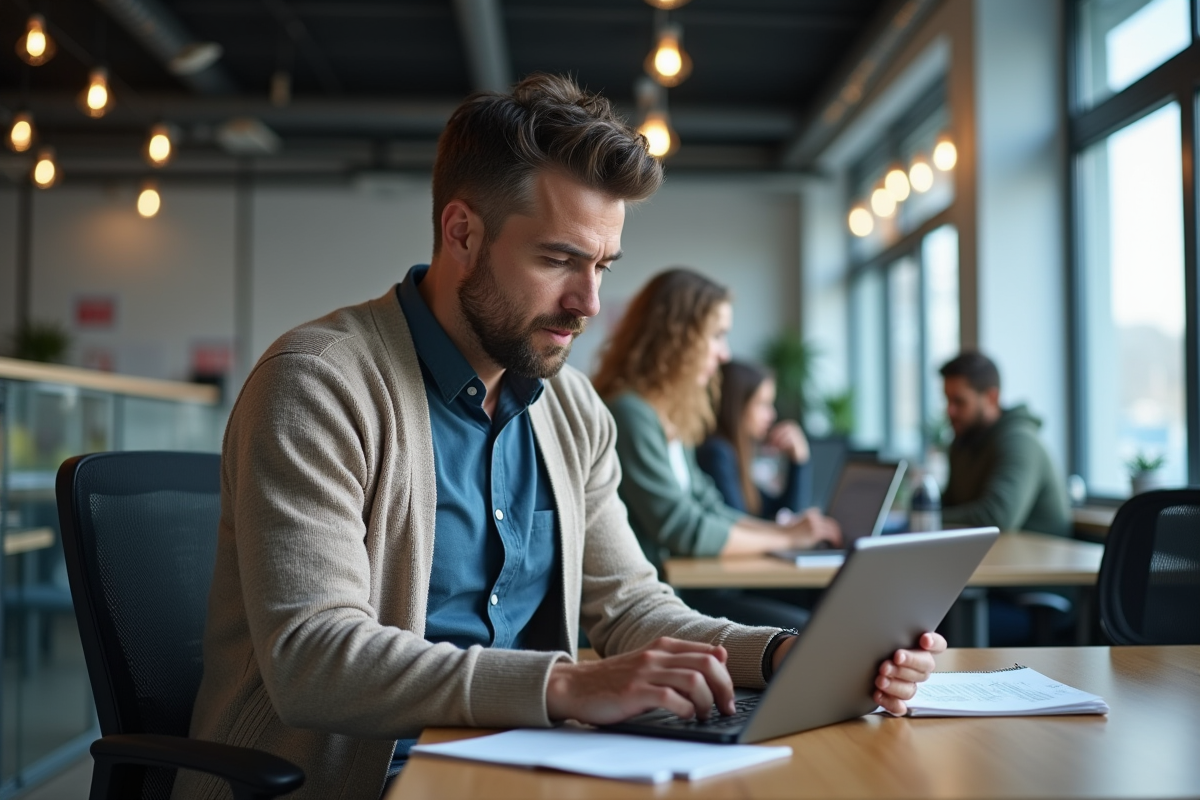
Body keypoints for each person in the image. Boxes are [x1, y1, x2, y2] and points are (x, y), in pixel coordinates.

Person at [177, 75, 945, 800]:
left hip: (522, 761)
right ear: (462, 232)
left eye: (604, 265)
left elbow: (632, 606)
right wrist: (566, 684)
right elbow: (314, 660)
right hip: (347, 780)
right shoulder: (319, 383)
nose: (588, 303)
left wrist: (784, 655)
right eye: (558, 260)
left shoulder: (570, 408)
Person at [592, 270, 838, 629]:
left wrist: (784, 537)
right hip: (654, 602)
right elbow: (680, 527)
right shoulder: (630, 413)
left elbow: (707, 505)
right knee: (809, 632)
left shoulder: (667, 415)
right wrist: (785, 537)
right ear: (676, 337)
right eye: (717, 336)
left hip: (683, 590)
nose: (724, 355)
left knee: (819, 618)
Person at [939, 351, 1071, 537]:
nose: (950, 411)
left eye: (959, 402)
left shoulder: (1020, 441)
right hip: (997, 557)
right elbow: (950, 504)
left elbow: (996, 517)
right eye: (947, 400)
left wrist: (925, 518)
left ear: (992, 397)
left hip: (1041, 560)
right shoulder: (962, 442)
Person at [696, 360, 813, 519]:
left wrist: (798, 460)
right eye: (762, 404)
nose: (772, 415)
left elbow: (782, 514)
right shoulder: (716, 454)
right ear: (737, 406)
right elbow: (740, 529)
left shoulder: (734, 452)